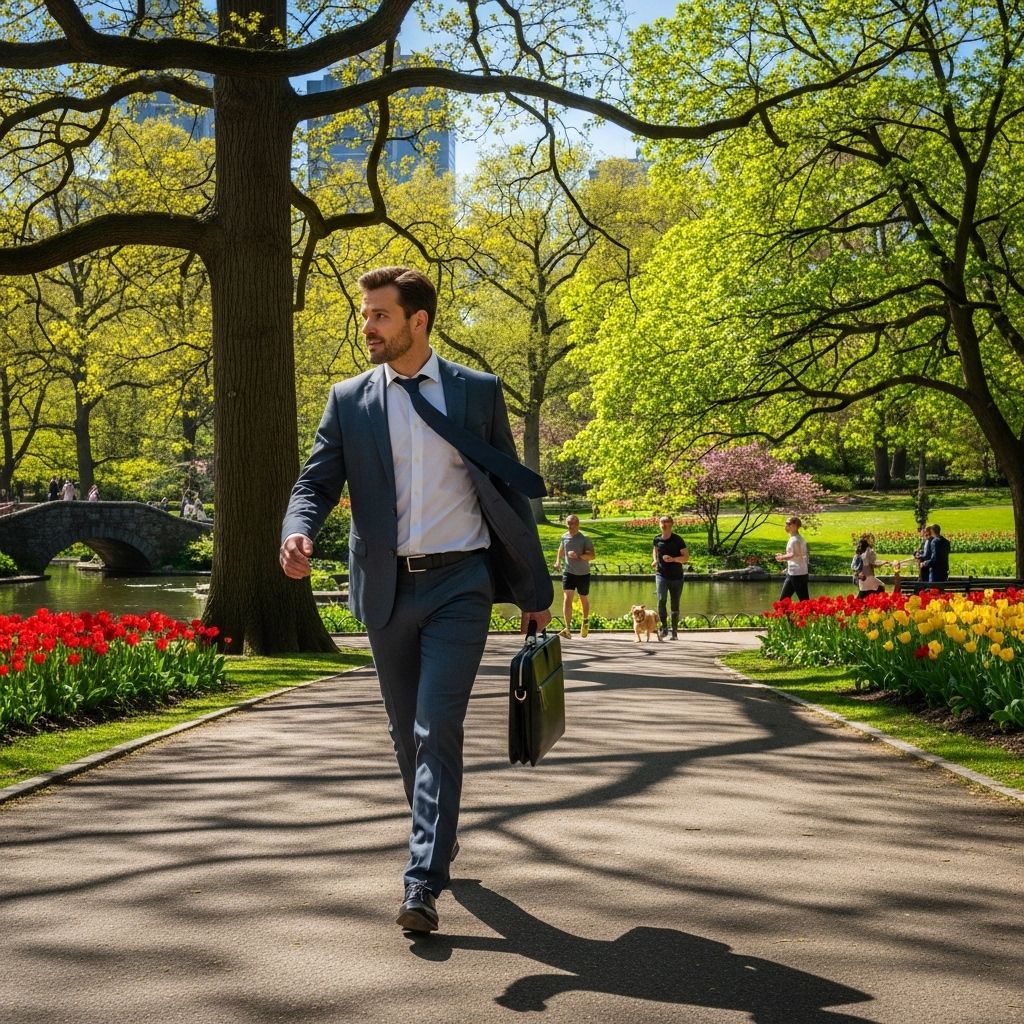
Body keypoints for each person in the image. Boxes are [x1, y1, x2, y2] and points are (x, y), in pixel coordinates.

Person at [280, 265, 552, 936]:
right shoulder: (349, 400)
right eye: (365, 314)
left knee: (437, 729)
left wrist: (533, 589)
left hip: (462, 585)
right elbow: (315, 480)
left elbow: (510, 491)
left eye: (378, 315)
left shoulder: (477, 392)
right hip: (386, 588)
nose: (365, 326)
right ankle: (437, 837)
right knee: (407, 736)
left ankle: (421, 878)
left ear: (417, 321)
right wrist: (297, 530)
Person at [553, 513, 595, 638]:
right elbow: (561, 549)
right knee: (567, 598)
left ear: (578, 524)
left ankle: (585, 621)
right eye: (568, 523)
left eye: (572, 523)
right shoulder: (564, 537)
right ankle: (567, 628)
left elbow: (592, 556)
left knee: (583, 599)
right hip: (568, 572)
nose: (570, 526)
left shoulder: (584, 539)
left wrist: (578, 556)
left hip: (583, 573)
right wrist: (557, 561)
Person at [651, 514, 689, 639]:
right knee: (661, 599)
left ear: (671, 524)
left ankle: (675, 632)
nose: (664, 524)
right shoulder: (657, 539)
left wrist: (673, 559)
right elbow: (655, 551)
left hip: (677, 577)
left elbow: (686, 557)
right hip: (661, 575)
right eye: (662, 521)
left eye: (666, 521)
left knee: (675, 603)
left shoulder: (678, 540)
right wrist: (655, 560)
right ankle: (664, 629)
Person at [775, 515, 809, 602]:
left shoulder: (795, 539)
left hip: (798, 574)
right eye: (786, 523)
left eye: (788, 523)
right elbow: (798, 555)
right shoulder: (795, 538)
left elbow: (793, 554)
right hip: (794, 573)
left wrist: (781, 557)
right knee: (784, 600)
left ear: (794, 526)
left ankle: (811, 615)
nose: (786, 526)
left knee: (804, 600)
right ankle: (783, 615)